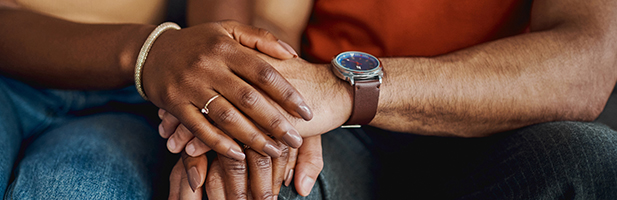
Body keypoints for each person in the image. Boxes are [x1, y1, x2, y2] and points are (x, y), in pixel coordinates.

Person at [164, 0, 617, 199]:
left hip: (503, 129)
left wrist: (344, 91)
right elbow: (271, 16)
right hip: (333, 133)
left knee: (593, 162)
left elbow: (585, 61)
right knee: (245, 180)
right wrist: (264, 95)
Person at [0, 0, 312, 199]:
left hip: (130, 99)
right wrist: (151, 53)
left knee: (80, 191)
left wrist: (222, 102)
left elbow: (244, 20)